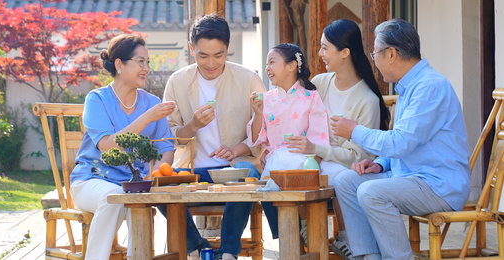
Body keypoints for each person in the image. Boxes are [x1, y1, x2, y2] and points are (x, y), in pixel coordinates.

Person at [331, 18, 470, 260]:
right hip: (410, 176)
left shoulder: (429, 87)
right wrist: (381, 163)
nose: (375, 61)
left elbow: (401, 141)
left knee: (372, 193)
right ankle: (369, 257)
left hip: (438, 184)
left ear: (391, 54)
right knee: (346, 181)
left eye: (376, 54)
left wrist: (354, 131)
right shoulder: (410, 86)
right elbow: (406, 141)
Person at [162, 13, 265, 259]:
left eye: (218, 55)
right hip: (193, 169)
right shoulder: (177, 81)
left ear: (228, 49)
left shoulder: (248, 79)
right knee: (160, 186)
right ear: (191, 49)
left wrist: (238, 148)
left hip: (236, 168)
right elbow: (170, 134)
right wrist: (193, 125)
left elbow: (266, 133)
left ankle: (228, 252)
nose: (211, 63)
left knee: (249, 175)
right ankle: (197, 246)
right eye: (203, 55)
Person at [286, 19, 390, 259]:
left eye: (325, 47)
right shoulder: (321, 82)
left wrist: (318, 150)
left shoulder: (367, 99)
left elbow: (358, 157)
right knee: (288, 167)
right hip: (316, 158)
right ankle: (304, 231)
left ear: (344, 52)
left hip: (345, 166)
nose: (321, 53)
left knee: (335, 177)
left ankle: (344, 239)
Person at [215, 43, 330, 260]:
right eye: (266, 63)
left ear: (292, 65)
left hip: (301, 164)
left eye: (272, 62)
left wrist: (309, 165)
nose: (267, 68)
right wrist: (258, 114)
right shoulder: (266, 99)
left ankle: (296, 237)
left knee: (273, 179)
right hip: (275, 166)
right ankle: (291, 240)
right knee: (271, 179)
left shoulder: (310, 97)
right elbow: (257, 139)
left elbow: (318, 137)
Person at [69, 34, 176, 260]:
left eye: (148, 62)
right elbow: (107, 146)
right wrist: (146, 118)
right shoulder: (97, 99)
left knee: (140, 201)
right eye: (140, 61)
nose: (146, 68)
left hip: (135, 186)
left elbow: (166, 146)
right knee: (114, 196)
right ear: (119, 64)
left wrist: (156, 172)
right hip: (91, 181)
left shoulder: (151, 103)